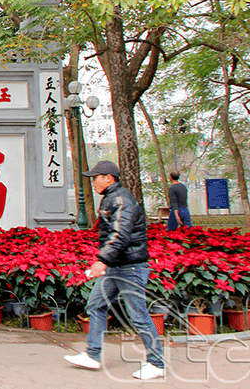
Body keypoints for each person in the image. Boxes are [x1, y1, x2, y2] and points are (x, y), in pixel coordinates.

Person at [64, 160, 165, 381]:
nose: (93, 182)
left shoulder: (121, 200)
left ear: (108, 178)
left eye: (96, 178)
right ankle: (93, 355)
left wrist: (101, 261)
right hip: (116, 266)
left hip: (130, 268)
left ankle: (156, 363)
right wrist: (106, 262)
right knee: (96, 305)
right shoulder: (111, 197)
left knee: (138, 316)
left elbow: (120, 235)